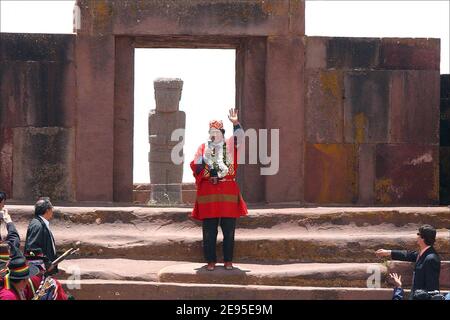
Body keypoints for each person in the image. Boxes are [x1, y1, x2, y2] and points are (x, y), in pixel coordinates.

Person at [190, 108, 248, 271]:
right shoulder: (203, 148)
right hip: (209, 193)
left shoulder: (230, 145)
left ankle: (228, 260)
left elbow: (241, 139)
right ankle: (211, 261)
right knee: (209, 231)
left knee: (229, 230)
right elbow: (196, 164)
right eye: (212, 132)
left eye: (218, 131)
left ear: (223, 132)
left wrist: (235, 123)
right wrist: (211, 173)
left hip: (228, 192)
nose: (215, 134)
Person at [376, 224, 441, 299]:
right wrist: (388, 252)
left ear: (423, 238)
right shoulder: (424, 254)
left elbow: (432, 288)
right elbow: (407, 255)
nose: (417, 236)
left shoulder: (431, 258)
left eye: (418, 234)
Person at [25, 198, 58, 267]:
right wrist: (46, 263)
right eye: (52, 209)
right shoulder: (37, 225)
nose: (52, 211)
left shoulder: (41, 223)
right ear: (47, 210)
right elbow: (32, 248)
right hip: (40, 269)